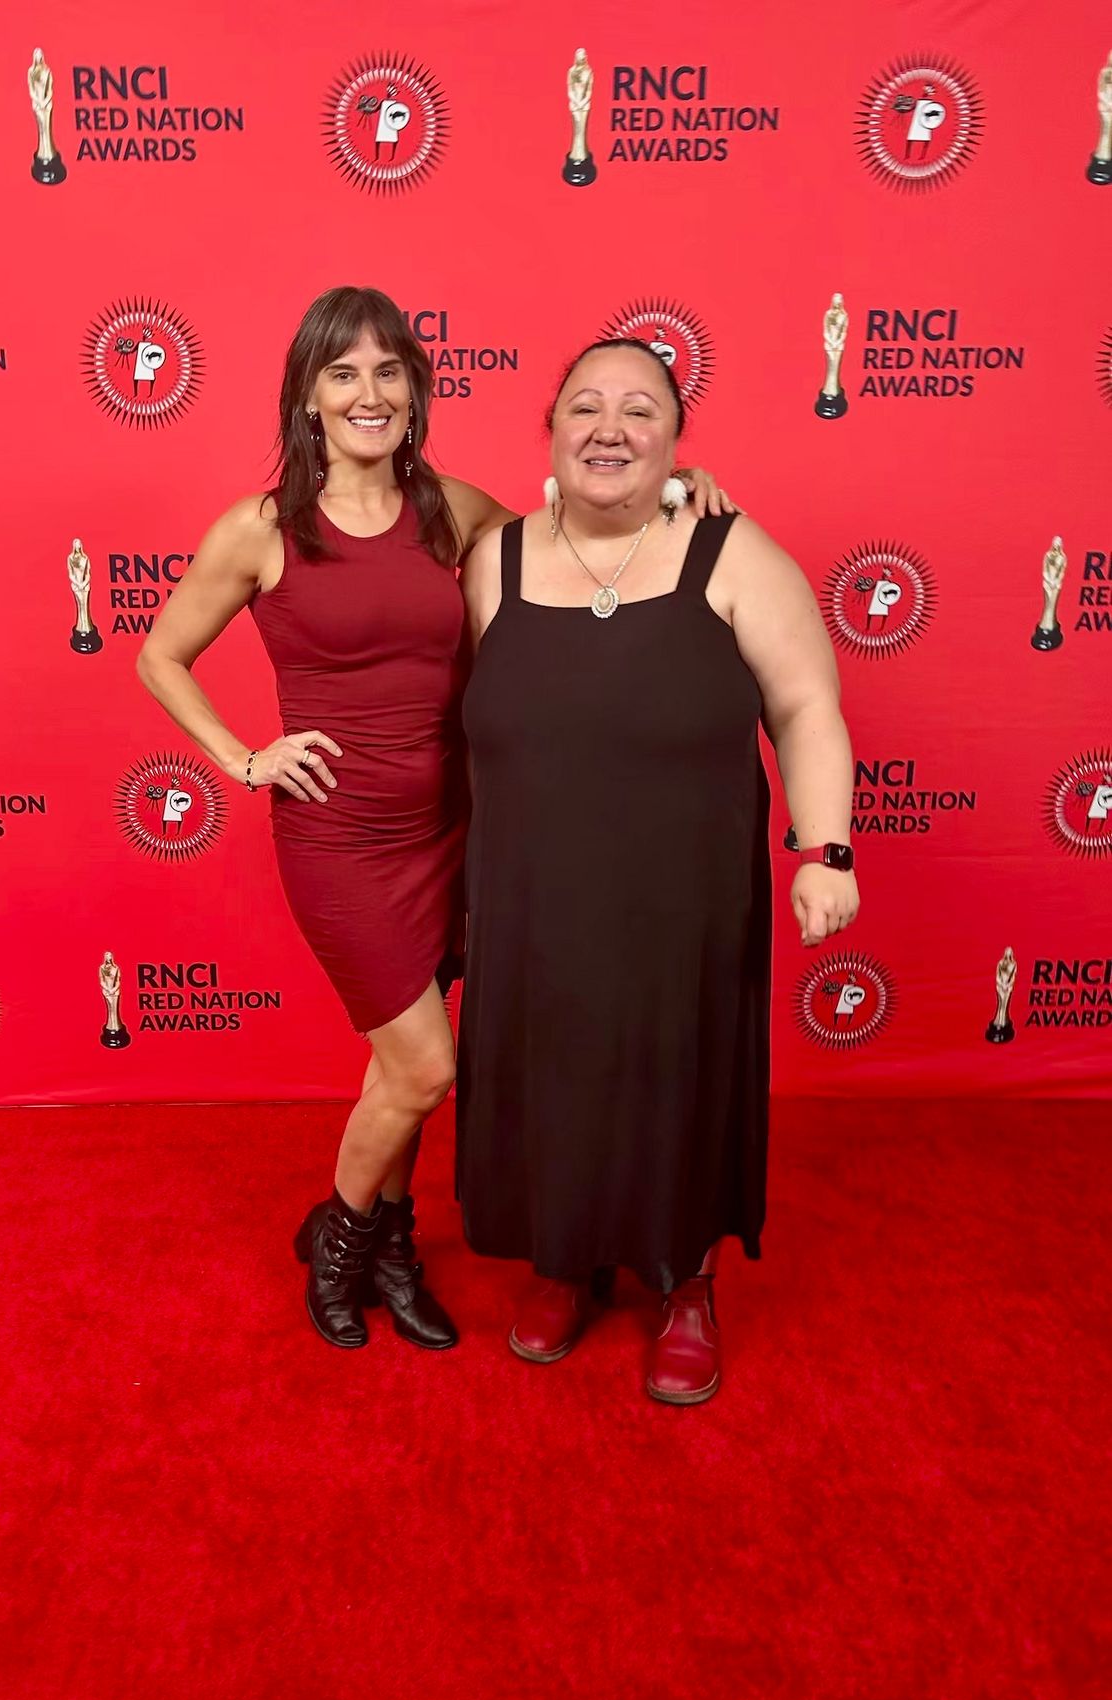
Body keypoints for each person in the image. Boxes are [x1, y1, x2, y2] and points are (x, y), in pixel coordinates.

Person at [138, 288, 731, 1354]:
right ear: (307, 397)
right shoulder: (262, 529)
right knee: (423, 1066)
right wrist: (243, 756)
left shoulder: (451, 509)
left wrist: (675, 485)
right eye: (342, 374)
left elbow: (580, 532)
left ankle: (392, 1247)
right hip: (338, 839)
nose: (367, 394)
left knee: (395, 1070)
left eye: (387, 372)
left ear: (414, 392)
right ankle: (338, 1241)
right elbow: (159, 655)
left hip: (454, 831)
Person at [456, 338, 858, 1405]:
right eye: (584, 406)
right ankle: (564, 1257)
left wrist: (824, 848)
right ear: (549, 428)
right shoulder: (490, 560)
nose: (610, 429)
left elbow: (806, 707)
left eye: (640, 411)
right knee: (548, 1067)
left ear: (677, 439)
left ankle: (687, 1281)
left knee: (681, 1071)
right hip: (531, 895)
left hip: (685, 897)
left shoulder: (731, 551)